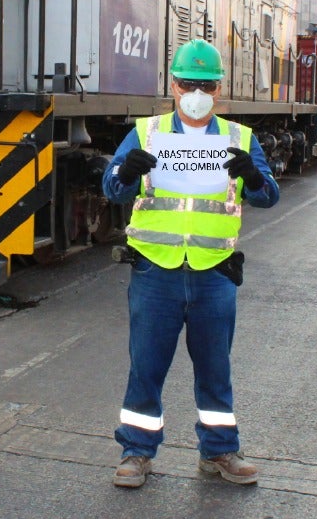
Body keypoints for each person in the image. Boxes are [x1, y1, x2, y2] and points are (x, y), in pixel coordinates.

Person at [102, 39, 279, 488]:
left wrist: (254, 177)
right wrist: (124, 173)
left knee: (215, 366)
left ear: (218, 89)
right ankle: (136, 452)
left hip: (212, 271)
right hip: (155, 268)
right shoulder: (146, 133)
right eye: (187, 84)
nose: (196, 92)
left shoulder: (239, 139)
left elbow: (268, 195)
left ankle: (219, 451)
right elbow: (112, 188)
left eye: (205, 85)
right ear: (173, 87)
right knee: (147, 364)